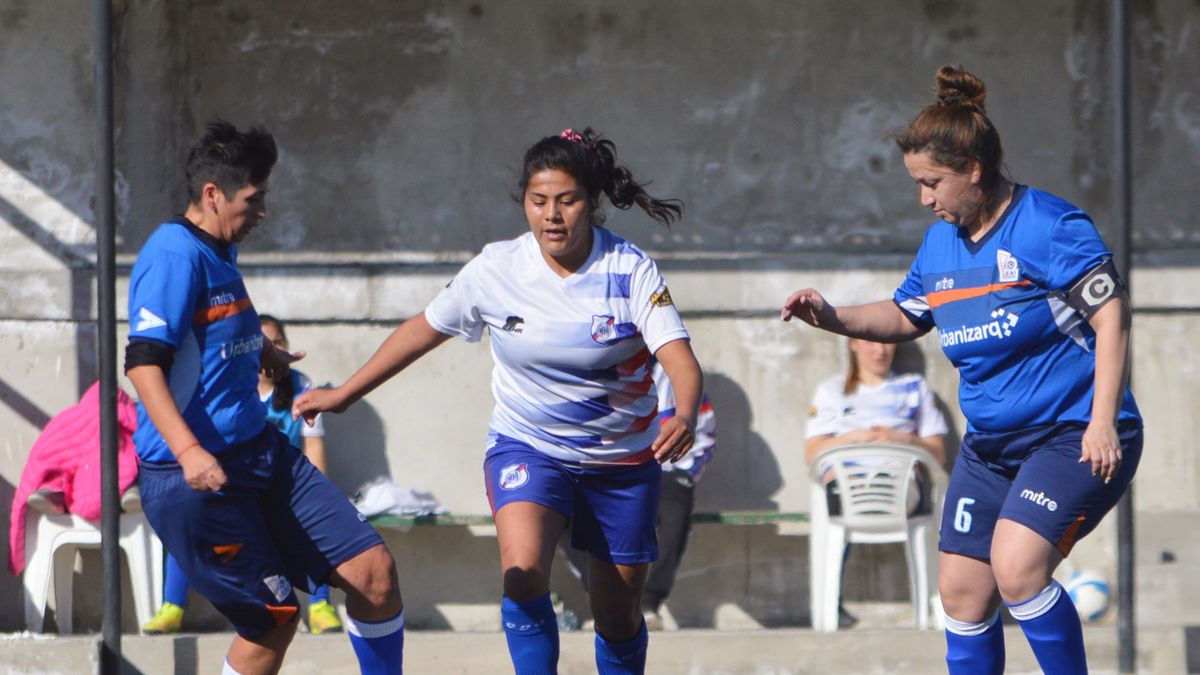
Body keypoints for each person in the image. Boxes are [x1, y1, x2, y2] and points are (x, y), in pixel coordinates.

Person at [294, 127, 704, 675]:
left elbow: (680, 360)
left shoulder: (628, 269)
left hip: (621, 462)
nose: (551, 216)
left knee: (618, 614)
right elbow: (422, 329)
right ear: (524, 203)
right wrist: (345, 392)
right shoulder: (496, 268)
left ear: (592, 201)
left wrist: (682, 411)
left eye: (567, 200)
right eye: (539, 202)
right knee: (522, 573)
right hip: (528, 447)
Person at [781, 66, 1142, 675]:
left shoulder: (1050, 226)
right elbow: (904, 314)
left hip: (1072, 434)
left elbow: (1112, 314)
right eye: (918, 184)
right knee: (962, 592)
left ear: (973, 171)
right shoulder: (939, 245)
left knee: (1018, 568)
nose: (925, 198)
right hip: (991, 448)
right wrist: (832, 316)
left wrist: (1102, 420)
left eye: (933, 183)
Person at [125, 121, 403, 675]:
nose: (263, 211)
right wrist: (188, 451)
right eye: (255, 199)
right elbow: (143, 366)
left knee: (374, 573)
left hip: (260, 453)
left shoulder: (220, 247)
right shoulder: (173, 257)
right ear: (213, 194)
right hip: (195, 478)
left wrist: (264, 355)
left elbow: (223, 321)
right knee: (273, 621)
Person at [142, 315, 344, 636]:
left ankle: (320, 605)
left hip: (282, 482)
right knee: (189, 522)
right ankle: (172, 606)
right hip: (236, 486)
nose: (271, 350)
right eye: (263, 343)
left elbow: (315, 454)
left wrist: (317, 494)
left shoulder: (301, 386)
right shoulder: (230, 389)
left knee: (314, 520)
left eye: (278, 342)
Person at [559, 359, 717, 632]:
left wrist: (684, 470)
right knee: (560, 507)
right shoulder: (592, 371)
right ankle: (605, 597)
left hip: (664, 470)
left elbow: (703, 430)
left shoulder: (677, 375)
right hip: (602, 470)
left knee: (675, 507)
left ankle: (648, 603)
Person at [804, 338, 948, 628]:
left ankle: (928, 610)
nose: (880, 351)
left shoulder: (913, 387)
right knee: (836, 486)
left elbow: (939, 452)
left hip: (902, 489)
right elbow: (812, 453)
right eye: (871, 343)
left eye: (888, 343)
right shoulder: (831, 391)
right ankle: (831, 610)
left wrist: (901, 438)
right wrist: (853, 438)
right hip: (848, 489)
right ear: (853, 345)